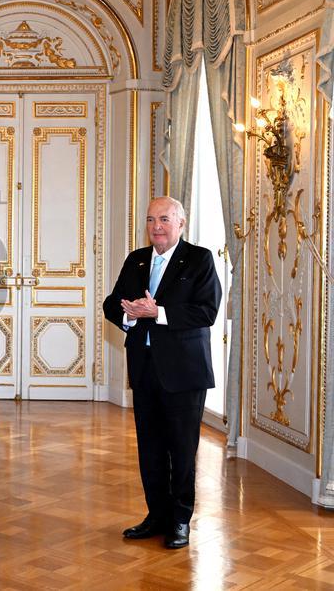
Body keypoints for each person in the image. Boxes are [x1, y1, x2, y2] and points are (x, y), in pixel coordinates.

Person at [102, 196, 221, 550]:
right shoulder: (136, 259)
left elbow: (207, 311)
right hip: (145, 369)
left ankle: (180, 521)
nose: (157, 227)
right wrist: (129, 314)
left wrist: (159, 312)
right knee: (150, 448)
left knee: (181, 450)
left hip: (184, 372)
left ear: (180, 223)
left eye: (165, 219)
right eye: (151, 219)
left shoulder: (199, 259)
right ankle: (156, 516)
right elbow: (112, 303)